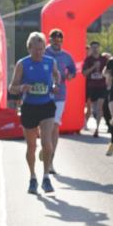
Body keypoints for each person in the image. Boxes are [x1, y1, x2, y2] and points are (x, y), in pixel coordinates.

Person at [8, 32, 60, 194]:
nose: (39, 53)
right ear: (29, 48)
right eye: (36, 49)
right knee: (31, 146)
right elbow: (12, 88)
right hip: (29, 106)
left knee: (46, 141)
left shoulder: (50, 62)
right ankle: (32, 177)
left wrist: (55, 86)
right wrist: (22, 88)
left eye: (42, 49)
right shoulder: (22, 64)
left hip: (46, 106)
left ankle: (46, 177)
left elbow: (57, 78)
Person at [44, 28, 77, 174]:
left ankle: (50, 160)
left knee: (55, 126)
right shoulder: (43, 53)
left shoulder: (66, 56)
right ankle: (45, 148)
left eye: (59, 40)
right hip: (43, 95)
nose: (57, 43)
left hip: (60, 95)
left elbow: (73, 70)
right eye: (54, 40)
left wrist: (70, 75)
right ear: (49, 40)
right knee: (45, 127)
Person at [83, 41, 108, 137]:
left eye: (97, 47)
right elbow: (84, 73)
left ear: (99, 48)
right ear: (91, 48)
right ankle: (90, 119)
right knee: (93, 108)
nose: (95, 49)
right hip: (91, 87)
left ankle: (97, 129)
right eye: (93, 47)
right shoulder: (88, 60)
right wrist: (94, 66)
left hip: (102, 86)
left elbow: (109, 72)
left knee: (100, 107)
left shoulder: (104, 59)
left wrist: (105, 74)